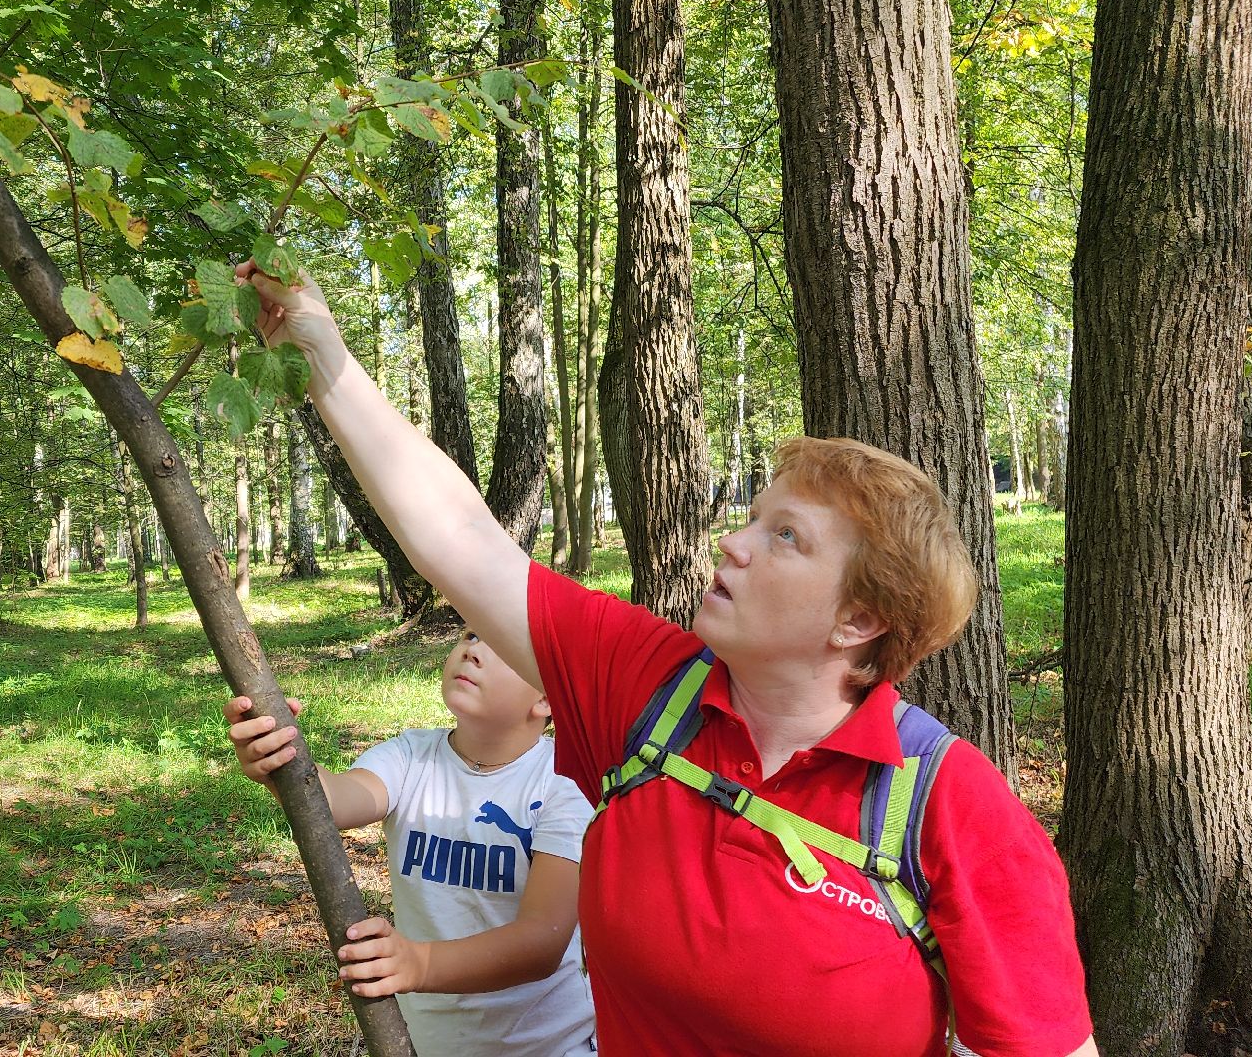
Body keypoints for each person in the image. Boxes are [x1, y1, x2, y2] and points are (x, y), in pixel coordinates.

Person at [233, 259, 1099, 1057]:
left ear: (857, 620)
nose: (734, 545)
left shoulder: (951, 808)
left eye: (784, 538)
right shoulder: (649, 691)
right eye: (753, 518)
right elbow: (463, 545)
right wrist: (326, 358)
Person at [224, 628, 596, 1057]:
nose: (473, 651)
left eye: (503, 648)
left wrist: (420, 964)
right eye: (471, 635)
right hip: (430, 1041)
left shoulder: (564, 783)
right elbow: (333, 803)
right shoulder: (410, 756)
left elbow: (541, 943)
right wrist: (281, 759)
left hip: (547, 1045)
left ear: (546, 700)